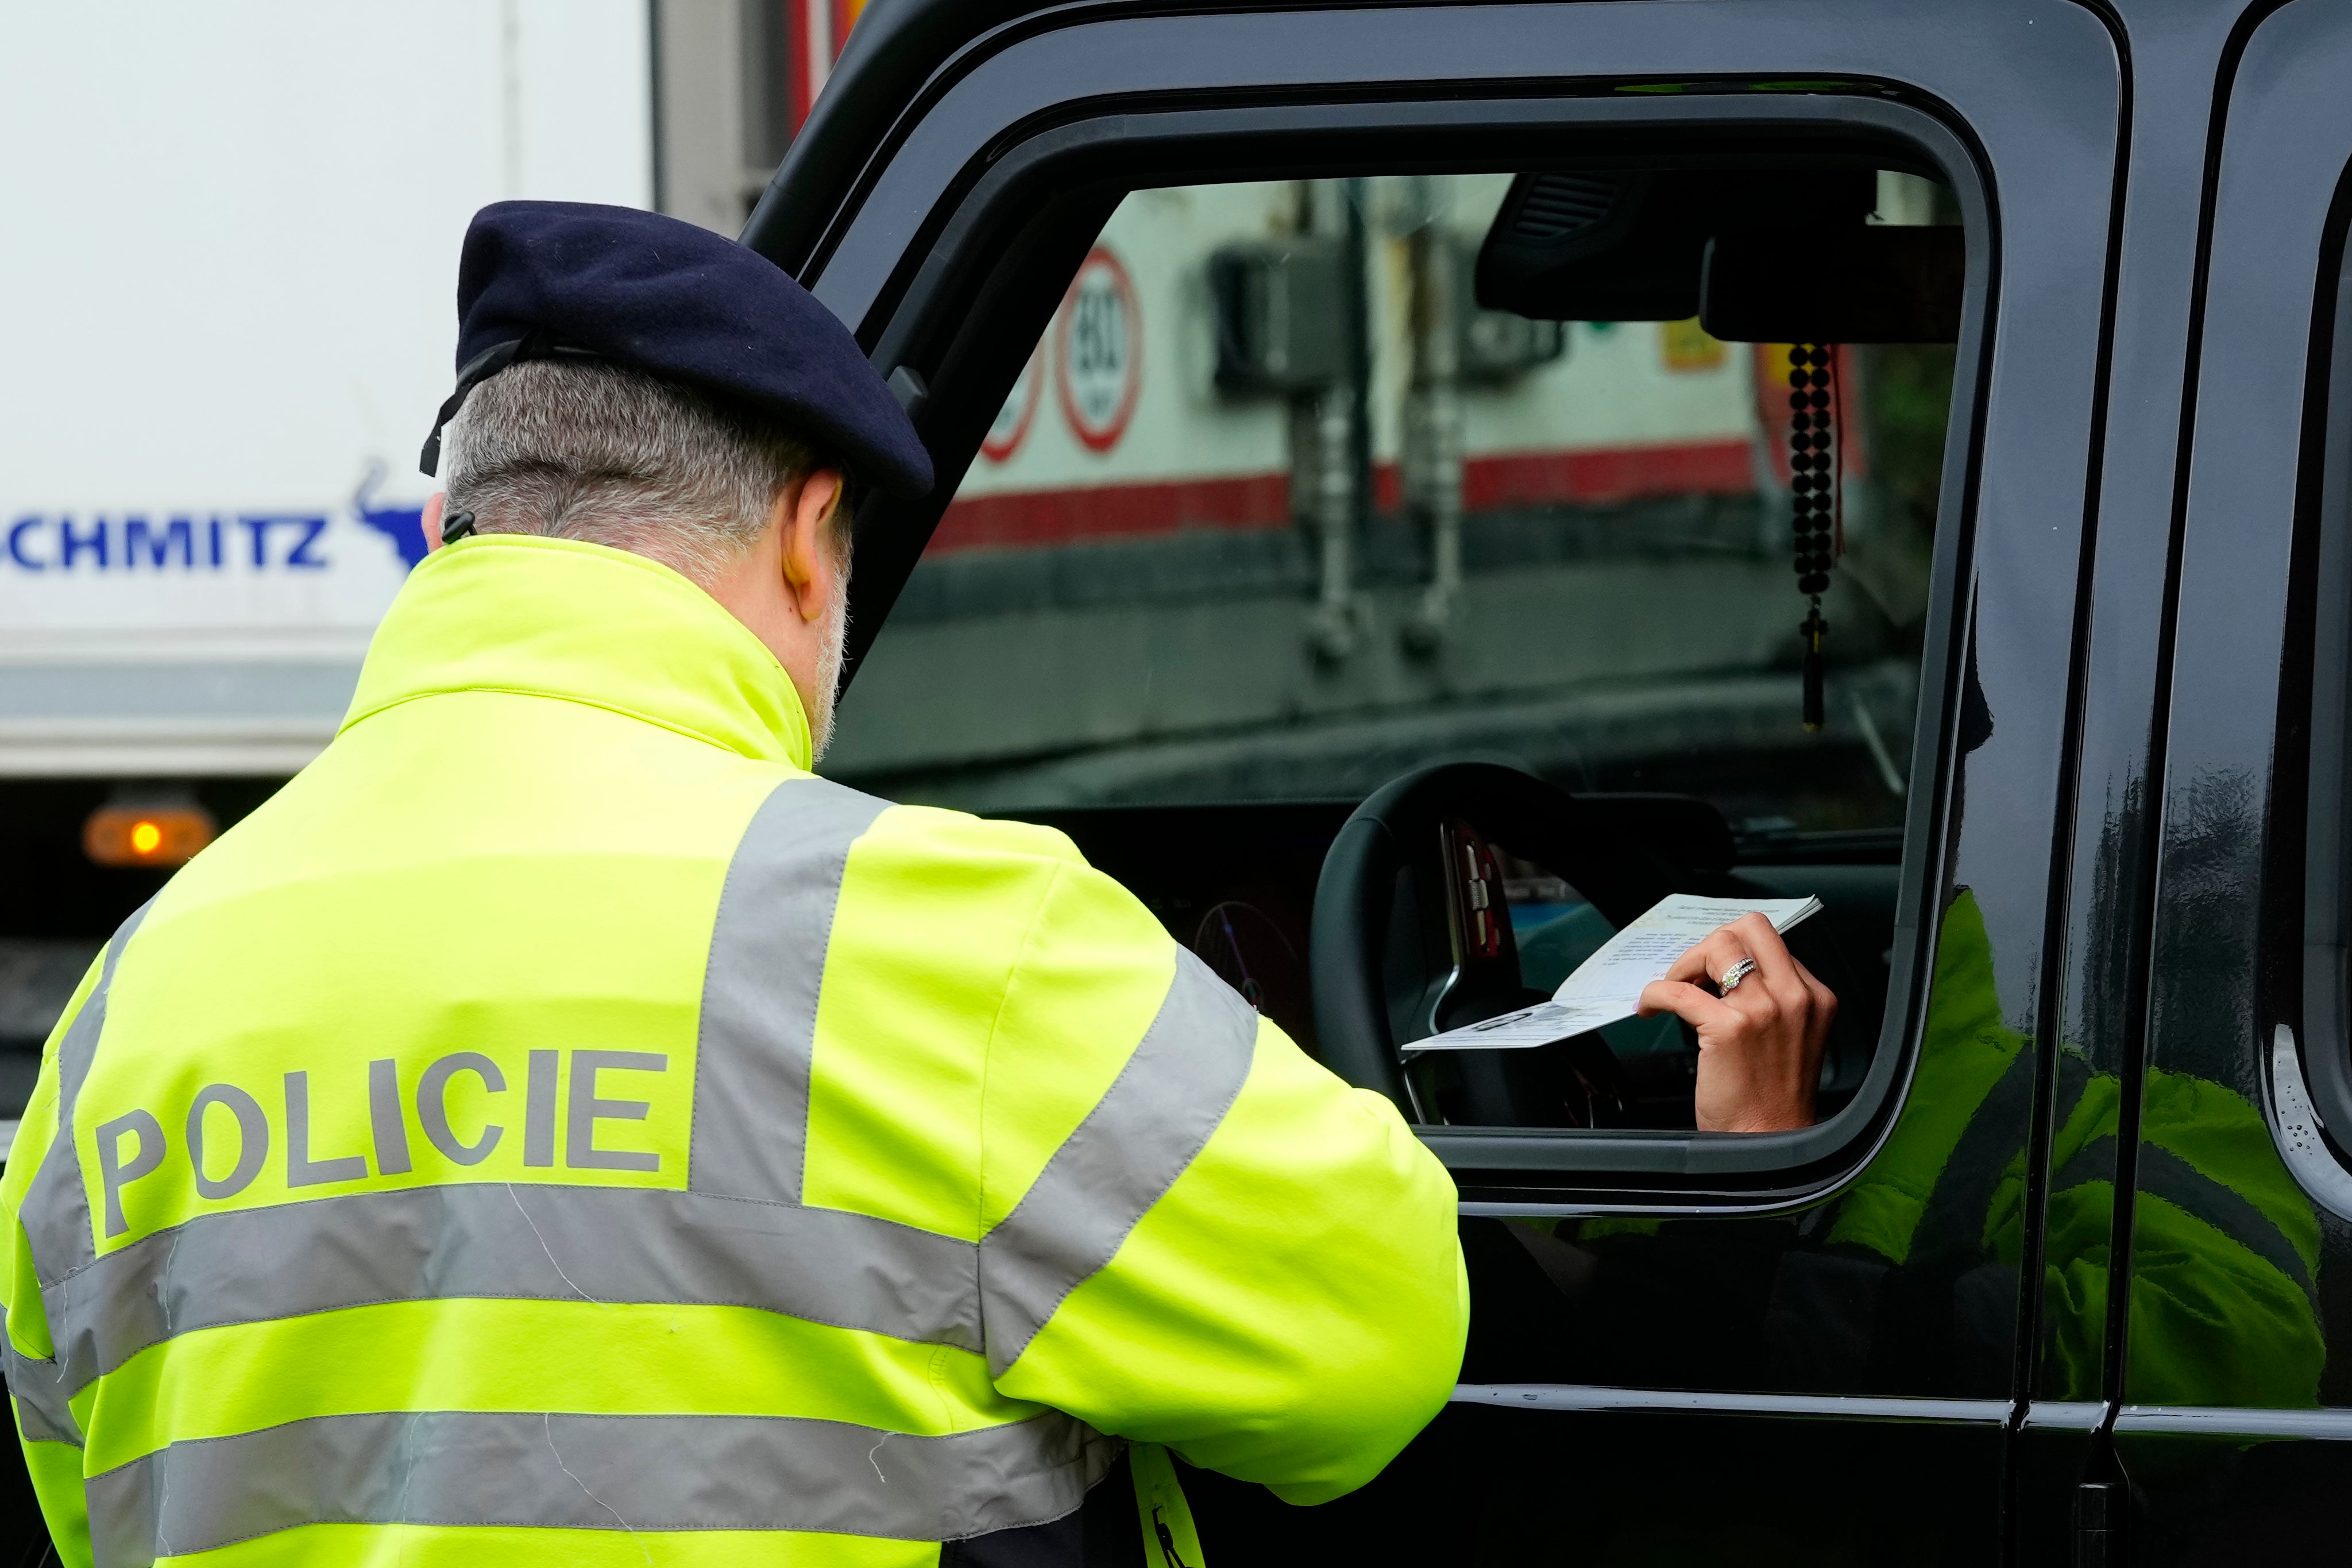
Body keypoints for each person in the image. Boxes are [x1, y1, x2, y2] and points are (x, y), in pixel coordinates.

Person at [0, 201, 1839, 1568]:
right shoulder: (944, 943)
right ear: (810, 539)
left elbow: (89, 1489)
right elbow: (1379, 1342)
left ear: (449, 537)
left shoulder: (126, 1007)